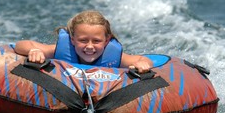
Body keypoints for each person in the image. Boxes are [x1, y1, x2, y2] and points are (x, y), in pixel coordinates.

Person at [14, 10, 153, 73]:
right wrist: (34, 51)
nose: (90, 46)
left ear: (107, 41)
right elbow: (21, 45)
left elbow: (144, 59)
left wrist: (142, 63)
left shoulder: (114, 58)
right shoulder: (60, 50)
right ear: (73, 40)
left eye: (97, 41)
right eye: (83, 40)